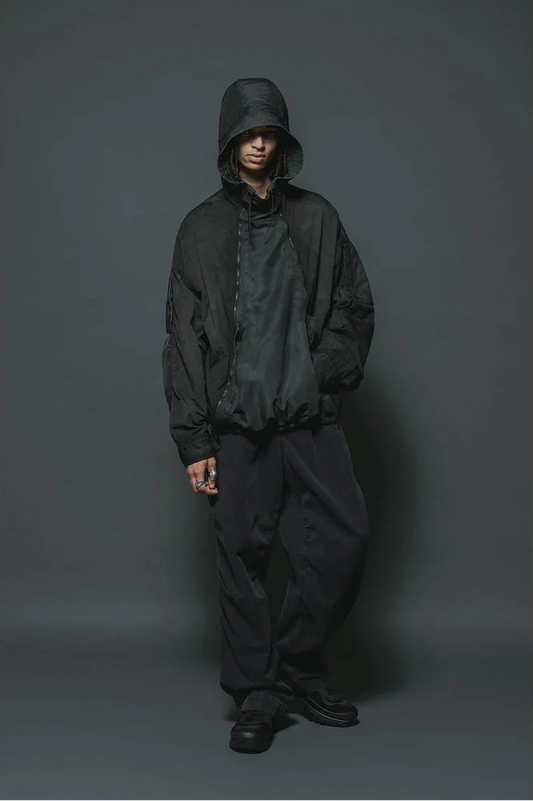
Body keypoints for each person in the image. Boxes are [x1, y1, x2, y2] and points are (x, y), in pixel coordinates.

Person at [163, 77, 375, 753]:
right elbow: (183, 339)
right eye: (247, 133)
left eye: (269, 133)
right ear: (229, 141)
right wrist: (194, 439)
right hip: (236, 425)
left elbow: (353, 307)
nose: (258, 144)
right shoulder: (200, 227)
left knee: (342, 542)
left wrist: (315, 371)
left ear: (283, 141)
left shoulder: (317, 217)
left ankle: (297, 666)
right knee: (241, 557)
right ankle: (257, 691)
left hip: (310, 418)